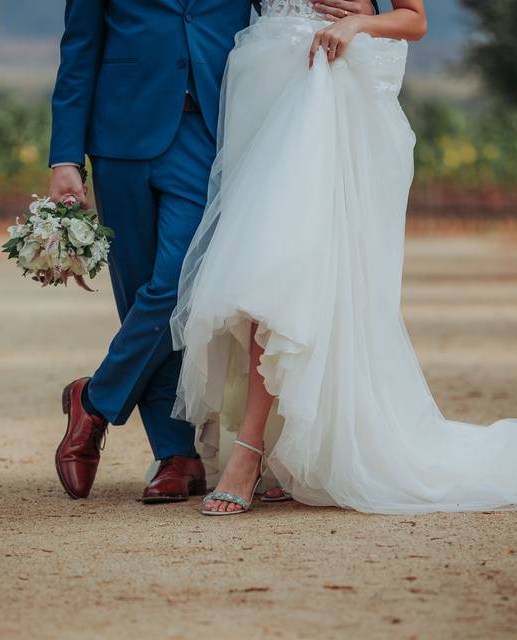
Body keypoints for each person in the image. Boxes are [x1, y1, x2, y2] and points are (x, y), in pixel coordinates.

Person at [170, 0, 517, 515]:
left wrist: (358, 23)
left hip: (327, 95)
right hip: (263, 83)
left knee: (281, 267)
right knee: (255, 267)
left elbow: (414, 19)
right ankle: (276, 446)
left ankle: (246, 452)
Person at [47, 0, 377, 504]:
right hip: (120, 132)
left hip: (210, 132)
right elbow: (79, 49)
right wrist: (66, 158)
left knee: (183, 285)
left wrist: (362, 12)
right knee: (140, 293)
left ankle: (92, 400)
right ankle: (176, 454)